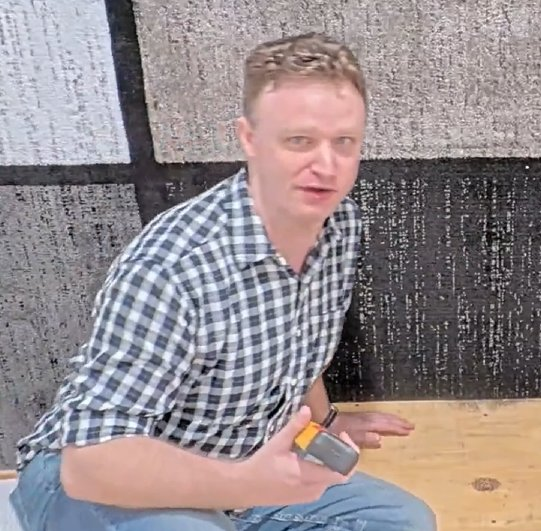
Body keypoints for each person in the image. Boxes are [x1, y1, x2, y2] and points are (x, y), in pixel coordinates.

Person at [9, 32, 437, 531]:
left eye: (343, 143)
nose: (325, 166)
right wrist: (247, 483)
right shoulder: (174, 266)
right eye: (299, 141)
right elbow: (89, 464)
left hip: (238, 460)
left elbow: (298, 345)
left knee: (403, 522)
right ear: (248, 139)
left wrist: (325, 423)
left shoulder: (339, 226)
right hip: (100, 482)